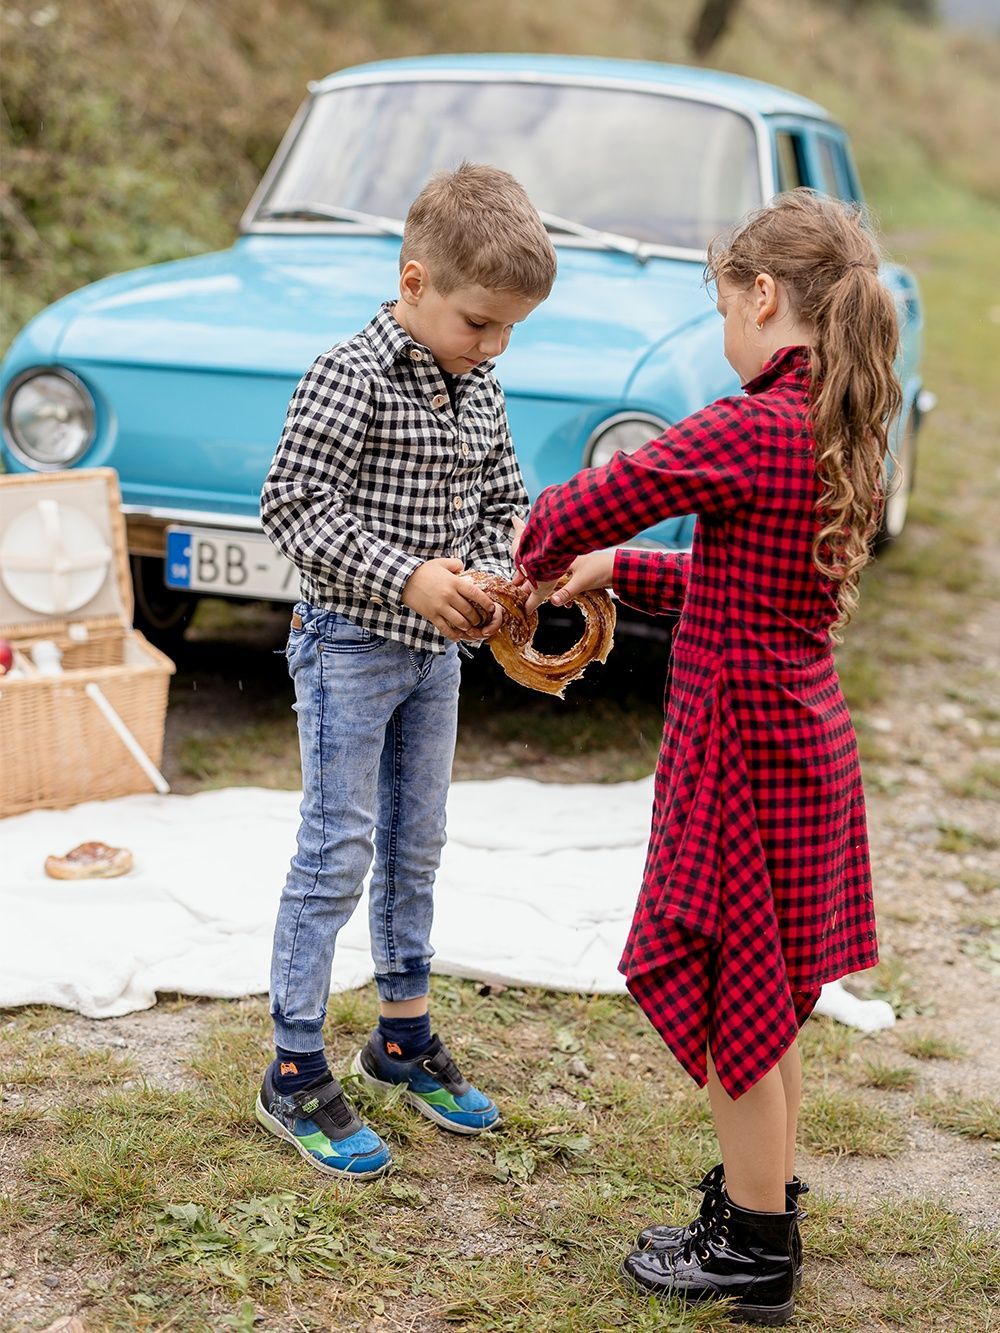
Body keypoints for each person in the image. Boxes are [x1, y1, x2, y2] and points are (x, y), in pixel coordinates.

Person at [514, 189, 901, 1324]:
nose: (722, 335)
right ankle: (754, 1213)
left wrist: (547, 548)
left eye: (724, 308)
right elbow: (748, 595)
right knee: (768, 1004)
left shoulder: (749, 422)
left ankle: (752, 1253)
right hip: (797, 741)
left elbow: (599, 494)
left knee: (739, 1006)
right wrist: (620, 572)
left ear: (762, 296)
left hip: (740, 754)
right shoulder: (833, 421)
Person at [256, 163, 556, 1179]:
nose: (494, 345)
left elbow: (505, 498)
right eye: (481, 322)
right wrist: (410, 575)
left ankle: (399, 1035)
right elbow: (293, 505)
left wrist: (493, 572)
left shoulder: (480, 382)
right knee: (336, 848)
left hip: (436, 658)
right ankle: (294, 1067)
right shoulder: (348, 372)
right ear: (416, 281)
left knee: (416, 841)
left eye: (510, 329)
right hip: (349, 644)